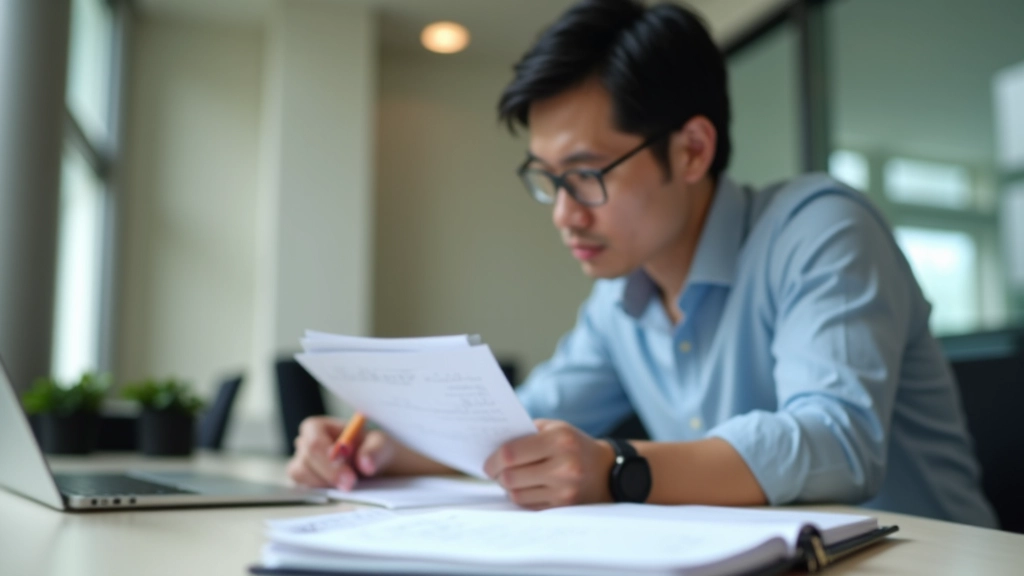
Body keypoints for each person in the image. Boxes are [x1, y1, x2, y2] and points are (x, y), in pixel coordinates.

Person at [288, 0, 997, 527]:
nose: (565, 213)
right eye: (547, 179)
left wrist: (620, 468)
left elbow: (836, 441)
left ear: (691, 150)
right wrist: (378, 452)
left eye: (587, 174)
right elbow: (519, 428)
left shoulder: (820, 229)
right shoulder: (621, 298)